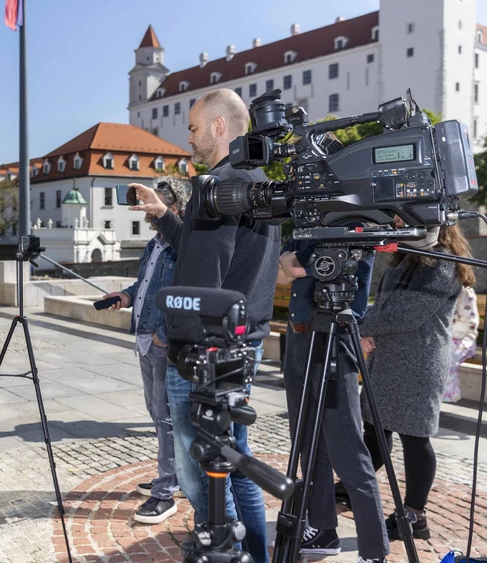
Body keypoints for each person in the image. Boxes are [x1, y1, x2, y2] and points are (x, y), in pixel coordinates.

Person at [129, 88, 280, 563]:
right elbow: (207, 251)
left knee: (201, 471)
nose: (188, 137)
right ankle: (256, 555)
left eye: (194, 127)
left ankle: (225, 552)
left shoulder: (218, 187)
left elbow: (201, 277)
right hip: (241, 340)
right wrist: (165, 216)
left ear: (219, 127)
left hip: (203, 350)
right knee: (235, 461)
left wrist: (169, 333)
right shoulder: (254, 183)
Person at [357, 222, 474, 541]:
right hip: (388, 358)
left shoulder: (443, 261)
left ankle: (415, 515)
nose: (398, 225)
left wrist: (361, 327)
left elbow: (409, 313)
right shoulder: (408, 255)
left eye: (402, 220)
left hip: (418, 361)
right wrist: (366, 329)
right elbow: (384, 306)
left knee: (415, 436)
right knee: (375, 427)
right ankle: (356, 484)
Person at [277, 236, 389, 562]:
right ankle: (324, 529)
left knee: (348, 450)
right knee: (309, 444)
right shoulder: (310, 228)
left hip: (333, 340)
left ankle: (373, 550)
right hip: (299, 337)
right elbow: (283, 274)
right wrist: (290, 261)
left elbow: (293, 266)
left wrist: (290, 260)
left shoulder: (350, 226)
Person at [102, 177, 187, 524]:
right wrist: (125, 296)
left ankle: (165, 492)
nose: (150, 218)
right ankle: (175, 476)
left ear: (175, 208)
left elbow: (183, 292)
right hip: (146, 338)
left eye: (154, 210)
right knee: (157, 412)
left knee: (166, 419)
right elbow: (146, 284)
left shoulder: (182, 246)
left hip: (160, 341)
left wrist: (164, 336)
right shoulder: (155, 245)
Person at [443, 285, 478, 403]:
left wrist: (448, 332)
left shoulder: (465, 291)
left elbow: (471, 322)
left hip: (462, 338)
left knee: (446, 356)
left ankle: (447, 396)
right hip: (448, 336)